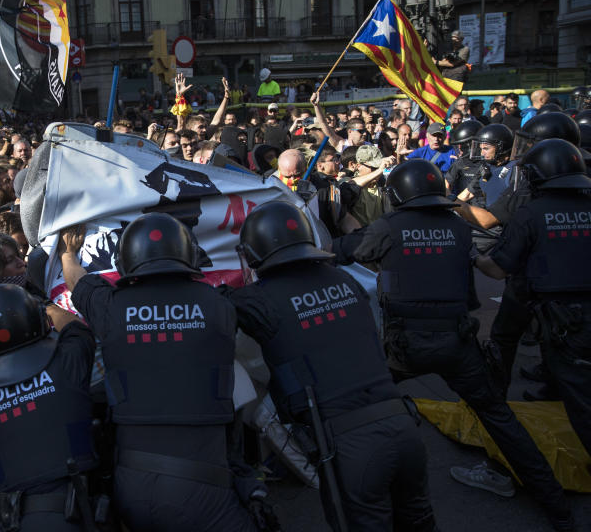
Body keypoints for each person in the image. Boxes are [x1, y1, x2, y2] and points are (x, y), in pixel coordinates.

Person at [333, 160, 574, 531]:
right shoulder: (458, 227)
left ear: (397, 194)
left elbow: (345, 250)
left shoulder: (388, 227)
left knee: (356, 410)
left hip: (403, 346)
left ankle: (353, 494)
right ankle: (559, 510)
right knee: (501, 420)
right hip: (459, 342)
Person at [232, 201, 437, 531]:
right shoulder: (345, 279)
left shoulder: (257, 300)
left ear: (252, 252)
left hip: (350, 445)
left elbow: (211, 315)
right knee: (419, 521)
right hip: (402, 428)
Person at [58, 214, 265, 532]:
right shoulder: (219, 306)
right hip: (208, 484)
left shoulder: (111, 307)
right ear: (188, 253)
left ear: (126, 260)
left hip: (134, 486)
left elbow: (77, 282)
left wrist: (68, 252)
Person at [474, 139, 591, 457]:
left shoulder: (531, 213)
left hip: (567, 321)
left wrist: (472, 254)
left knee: (581, 397)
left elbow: (497, 270)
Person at [0, 284, 97, 531]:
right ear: (38, 321)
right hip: (77, 512)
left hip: (13, 520)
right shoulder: (67, 360)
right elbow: (77, 330)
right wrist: (47, 308)